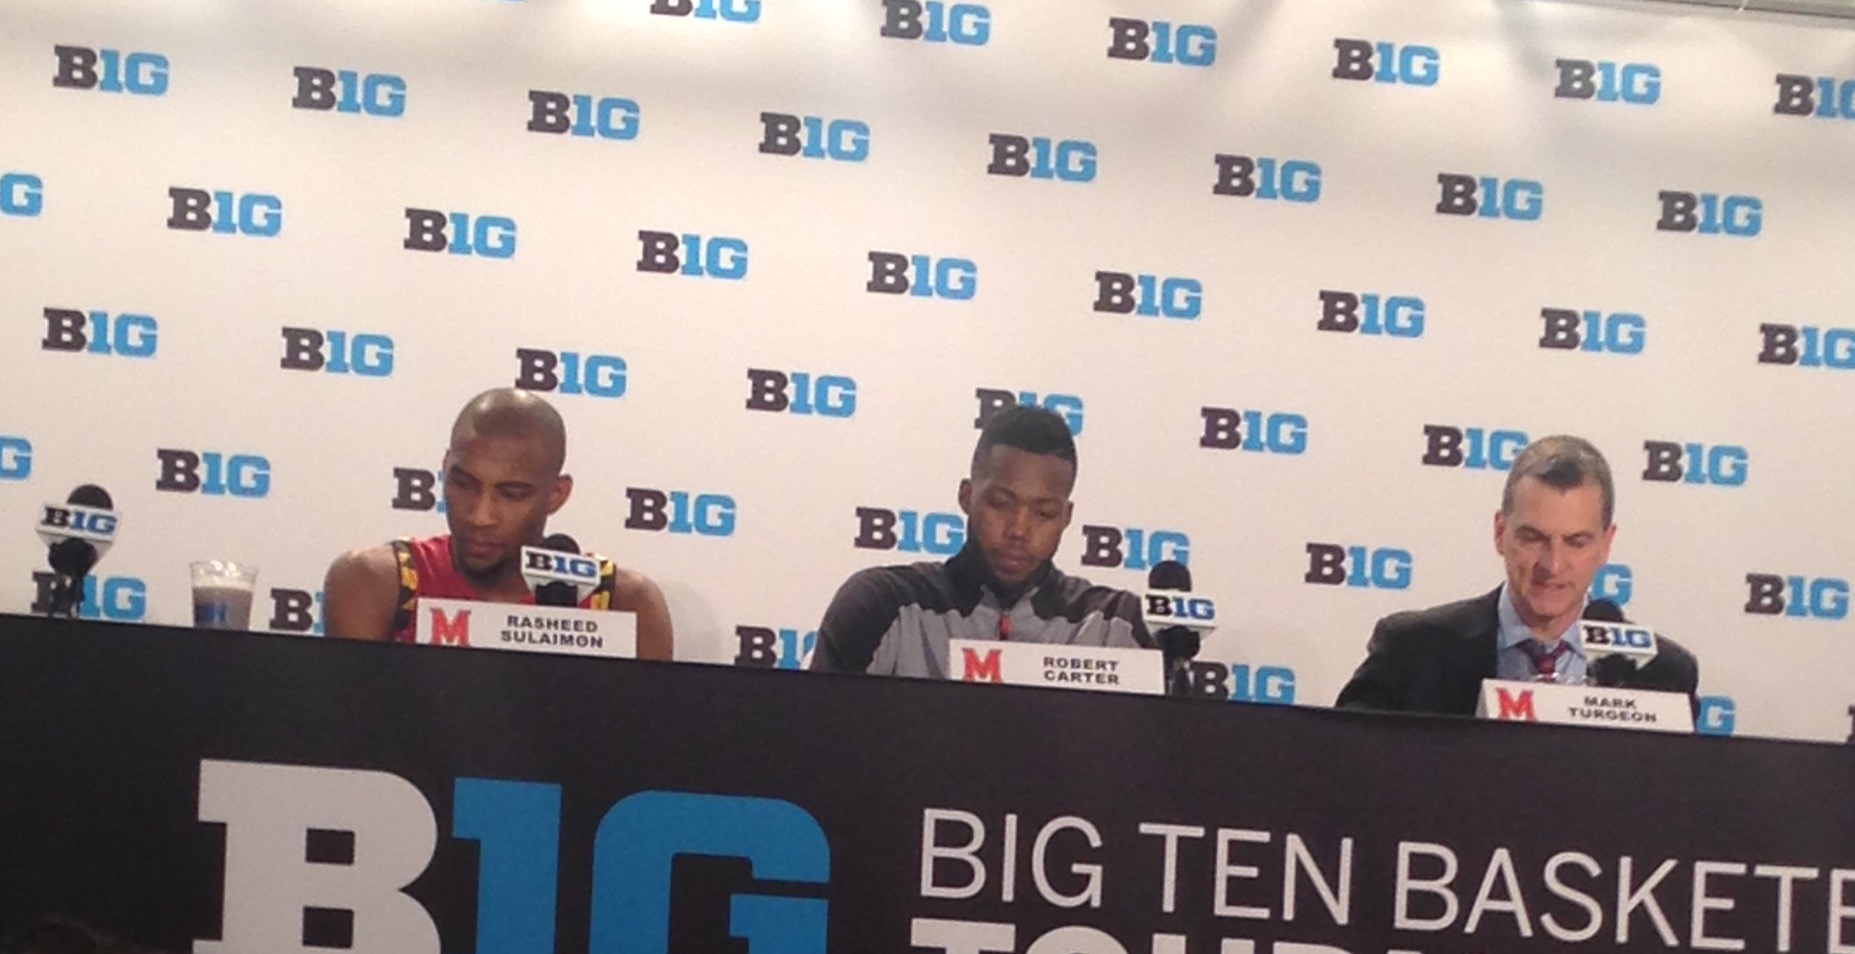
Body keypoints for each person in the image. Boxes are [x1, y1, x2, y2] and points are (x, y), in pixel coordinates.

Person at [1335, 435, 1698, 716]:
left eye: (1576, 542)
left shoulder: (1662, 675)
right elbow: (1345, 771)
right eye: (1533, 538)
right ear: (1500, 533)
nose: (1553, 565)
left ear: (1606, 545)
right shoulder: (1413, 651)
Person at [323, 388, 673, 659]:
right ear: (445, 468)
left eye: (512, 494)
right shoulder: (375, 583)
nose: (480, 516)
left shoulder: (623, 603)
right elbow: (355, 742)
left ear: (557, 495)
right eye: (464, 484)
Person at [810, 405, 1152, 676]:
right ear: (966, 496)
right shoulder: (881, 604)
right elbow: (818, 745)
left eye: (1044, 513)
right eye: (1001, 504)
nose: (1019, 529)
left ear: (1066, 517)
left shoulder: (1115, 624)